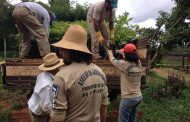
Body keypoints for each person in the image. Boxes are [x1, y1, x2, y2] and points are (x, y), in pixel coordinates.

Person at [50, 24, 108, 122]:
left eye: (63, 48)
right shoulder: (100, 72)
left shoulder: (61, 77)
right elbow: (104, 104)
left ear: (71, 50)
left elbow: (57, 117)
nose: (60, 53)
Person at [107, 43, 143, 122]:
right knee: (132, 119)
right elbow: (129, 54)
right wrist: (120, 51)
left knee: (123, 120)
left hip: (128, 98)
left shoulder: (124, 64)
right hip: (138, 97)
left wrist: (110, 53)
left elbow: (113, 60)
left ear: (126, 54)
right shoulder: (139, 63)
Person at [28, 53, 63, 122]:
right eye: (58, 67)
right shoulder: (47, 85)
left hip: (35, 107)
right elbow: (45, 107)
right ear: (54, 69)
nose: (59, 68)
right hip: (39, 116)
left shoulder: (43, 74)